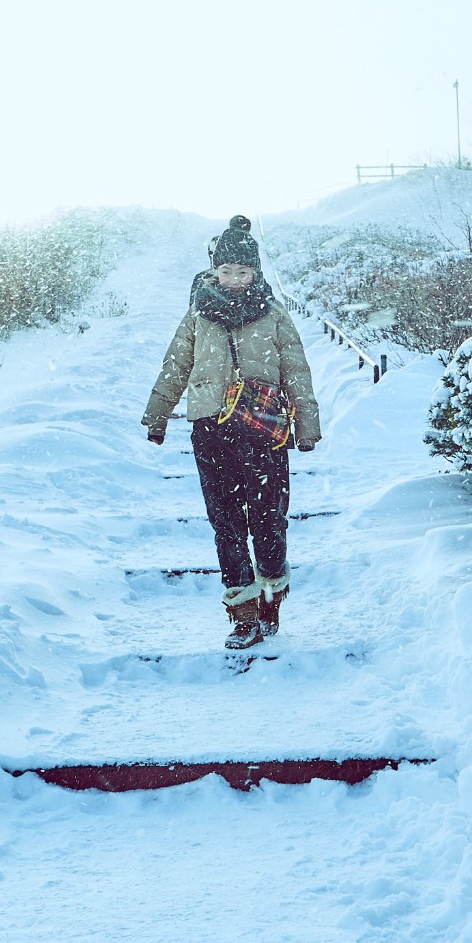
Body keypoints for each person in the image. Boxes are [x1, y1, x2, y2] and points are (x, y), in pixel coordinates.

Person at [143, 216, 321, 650]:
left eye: (243, 272)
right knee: (225, 522)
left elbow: (296, 370)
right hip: (211, 427)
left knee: (267, 520)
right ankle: (242, 614)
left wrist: (307, 423)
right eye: (227, 271)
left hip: (263, 428)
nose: (235, 280)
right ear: (214, 271)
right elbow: (176, 365)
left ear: (255, 273)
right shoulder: (198, 315)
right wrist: (158, 414)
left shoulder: (274, 315)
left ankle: (272, 595)